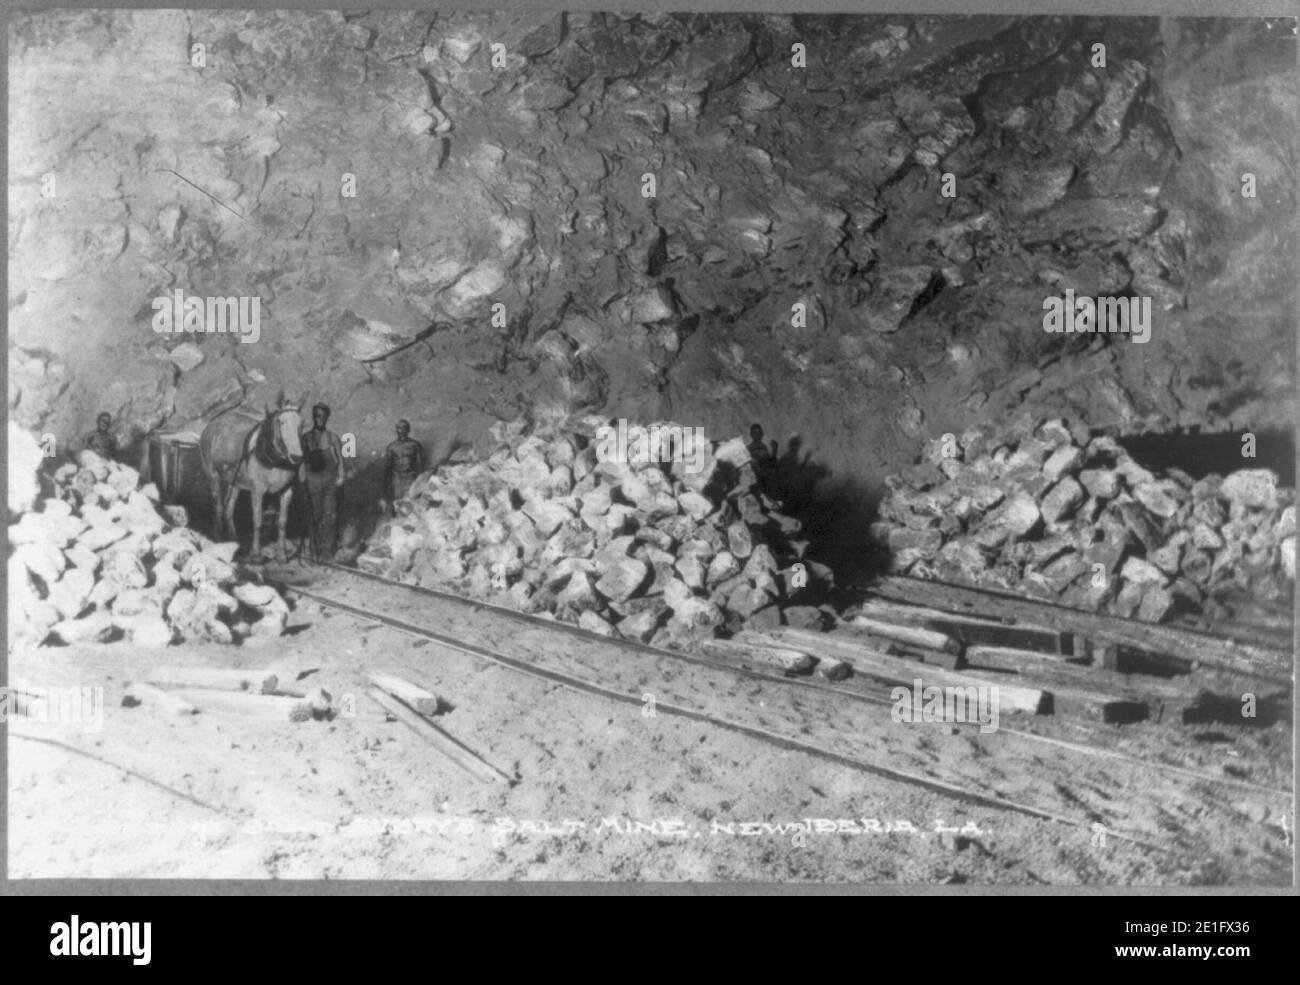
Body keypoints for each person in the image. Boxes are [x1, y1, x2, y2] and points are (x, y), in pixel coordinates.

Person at [299, 403, 344, 557]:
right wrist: (302, 481)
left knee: (330, 515)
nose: (321, 419)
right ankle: (314, 548)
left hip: (330, 481)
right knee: (315, 516)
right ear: (313, 417)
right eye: (318, 416)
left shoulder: (333, 437)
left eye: (324, 416)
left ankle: (327, 550)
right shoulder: (306, 438)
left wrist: (341, 476)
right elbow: (302, 462)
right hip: (313, 481)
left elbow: (340, 460)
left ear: (327, 418)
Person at [383, 419, 425, 515]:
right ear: (396, 430)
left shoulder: (415, 445)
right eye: (399, 428)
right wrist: (386, 485)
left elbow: (420, 464)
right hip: (396, 479)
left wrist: (420, 481)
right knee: (397, 504)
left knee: (412, 502)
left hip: (411, 477)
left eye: (404, 428)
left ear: (408, 430)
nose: (401, 431)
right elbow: (388, 466)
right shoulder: (391, 447)